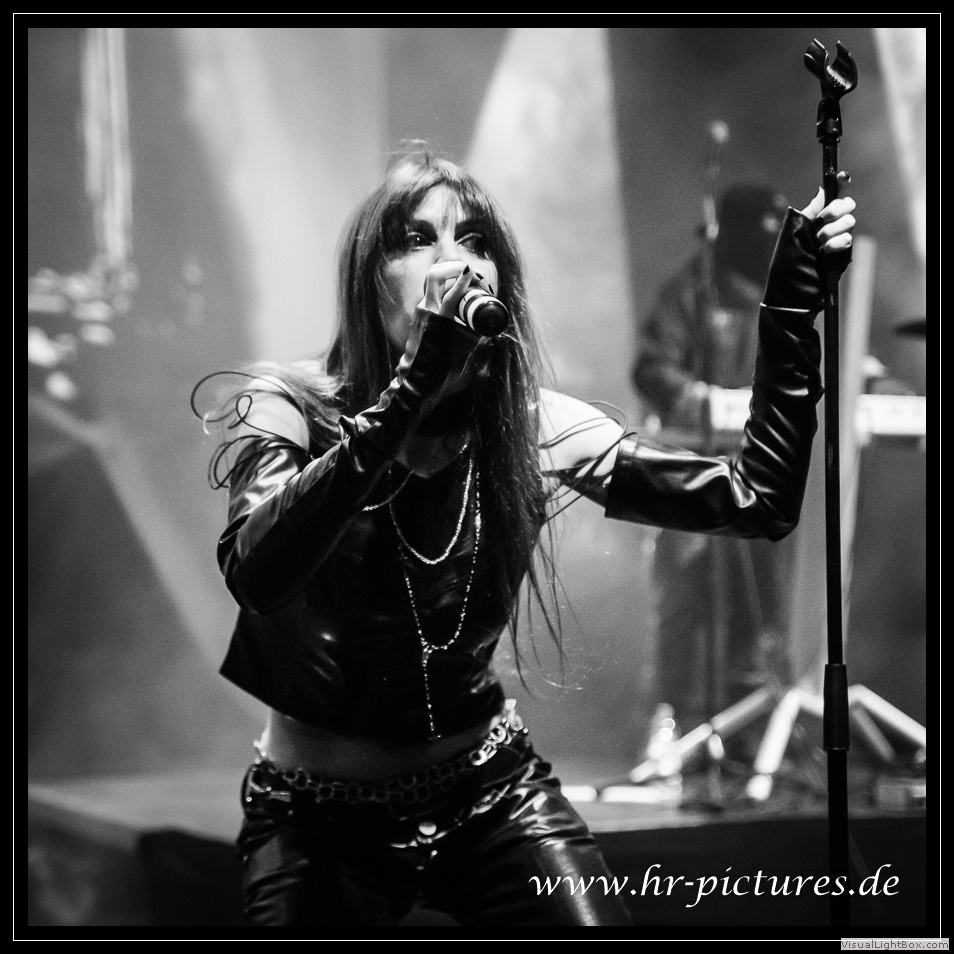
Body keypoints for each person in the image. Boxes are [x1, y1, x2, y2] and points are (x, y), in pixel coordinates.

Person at [193, 148, 855, 926]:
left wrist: (790, 310)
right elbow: (258, 573)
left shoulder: (534, 427)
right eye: (418, 240)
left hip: (486, 792)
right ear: (367, 279)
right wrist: (411, 388)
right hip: (316, 817)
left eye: (476, 241)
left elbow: (757, 500)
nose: (456, 262)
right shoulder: (288, 405)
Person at [631, 183, 797, 741]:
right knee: (683, 595)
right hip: (688, 467)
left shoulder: (787, 299)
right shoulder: (692, 291)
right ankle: (670, 717)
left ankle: (746, 722)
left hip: (758, 472)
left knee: (759, 598)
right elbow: (651, 368)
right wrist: (705, 402)